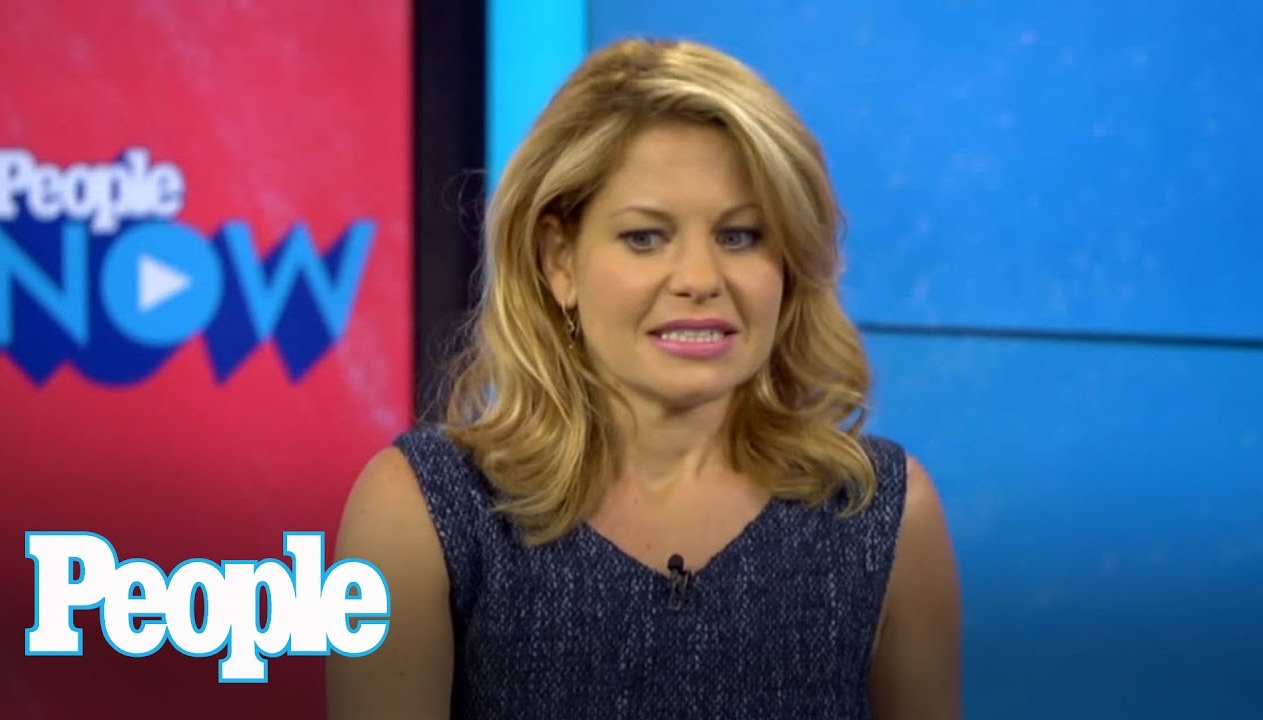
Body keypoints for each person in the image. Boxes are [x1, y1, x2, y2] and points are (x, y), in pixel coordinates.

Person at [327, 38, 962, 719]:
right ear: (559, 260)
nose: (699, 279)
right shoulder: (422, 510)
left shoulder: (883, 515)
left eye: (740, 236)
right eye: (645, 237)